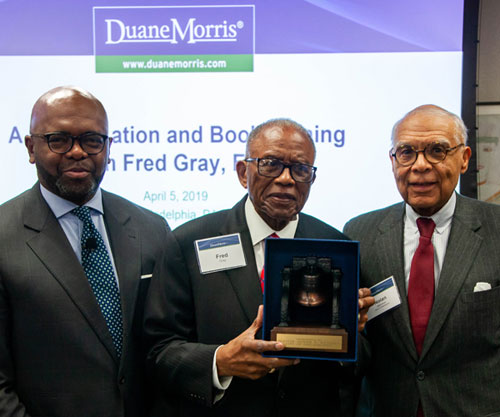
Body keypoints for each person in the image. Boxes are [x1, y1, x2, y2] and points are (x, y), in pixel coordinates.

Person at [145, 118, 374, 417]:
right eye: (271, 164)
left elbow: (362, 362)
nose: (286, 179)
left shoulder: (336, 247)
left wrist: (349, 335)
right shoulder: (190, 242)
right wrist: (219, 362)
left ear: (311, 179)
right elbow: (158, 350)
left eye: (300, 169)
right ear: (243, 173)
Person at [0, 86, 171, 417]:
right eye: (59, 140)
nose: (77, 152)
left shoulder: (152, 229)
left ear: (107, 148)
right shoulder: (3, 236)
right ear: (31, 147)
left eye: (92, 140)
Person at [344, 104, 500, 417]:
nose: (419, 165)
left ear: (464, 158)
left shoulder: (496, 228)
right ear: (393, 161)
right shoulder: (360, 232)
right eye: (406, 152)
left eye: (436, 151)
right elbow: (358, 351)